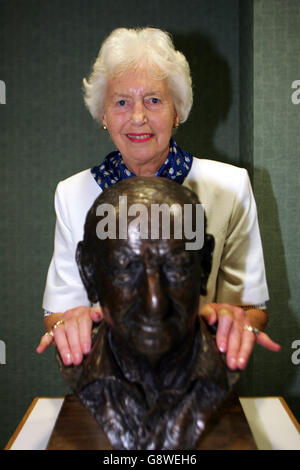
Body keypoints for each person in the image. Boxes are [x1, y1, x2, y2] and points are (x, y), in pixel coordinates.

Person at [36, 27, 280, 370]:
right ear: (103, 116)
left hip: (198, 377)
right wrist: (68, 324)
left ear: (177, 111)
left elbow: (252, 307)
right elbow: (58, 313)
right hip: (108, 379)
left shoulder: (230, 187)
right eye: (121, 102)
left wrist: (237, 322)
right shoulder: (72, 194)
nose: (138, 117)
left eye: (153, 100)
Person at [58, 177, 237, 450]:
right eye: (126, 268)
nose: (155, 304)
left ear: (203, 265)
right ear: (89, 271)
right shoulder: (79, 358)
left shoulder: (227, 356)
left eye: (177, 267)